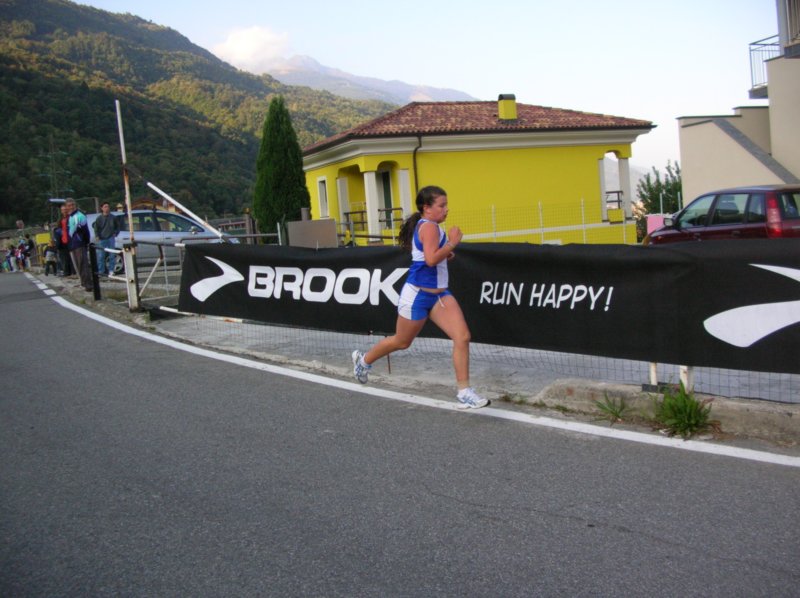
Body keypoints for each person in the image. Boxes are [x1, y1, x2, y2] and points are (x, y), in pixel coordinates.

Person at [351, 185, 489, 409]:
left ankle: (464, 392)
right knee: (402, 341)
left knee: (462, 337)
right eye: (441, 205)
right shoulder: (429, 227)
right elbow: (431, 260)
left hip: (440, 295)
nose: (446, 209)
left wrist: (446, 252)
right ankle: (364, 360)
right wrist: (452, 242)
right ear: (427, 208)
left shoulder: (433, 227)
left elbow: (429, 256)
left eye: (446, 205)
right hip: (417, 295)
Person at [65, 198, 92, 291]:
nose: (71, 207)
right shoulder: (70, 216)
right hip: (73, 244)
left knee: (83, 264)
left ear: (75, 205)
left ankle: (88, 285)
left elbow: (85, 231)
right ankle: (83, 283)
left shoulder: (80, 216)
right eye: (69, 205)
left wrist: (85, 242)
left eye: (72, 205)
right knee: (78, 265)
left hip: (80, 243)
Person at [92, 201, 120, 276]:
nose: (107, 208)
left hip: (111, 238)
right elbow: (96, 228)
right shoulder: (99, 218)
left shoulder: (113, 217)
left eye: (108, 206)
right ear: (102, 208)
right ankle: (101, 271)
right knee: (101, 256)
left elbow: (118, 227)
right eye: (105, 207)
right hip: (102, 239)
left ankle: (111, 270)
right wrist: (97, 236)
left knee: (112, 255)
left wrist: (116, 233)